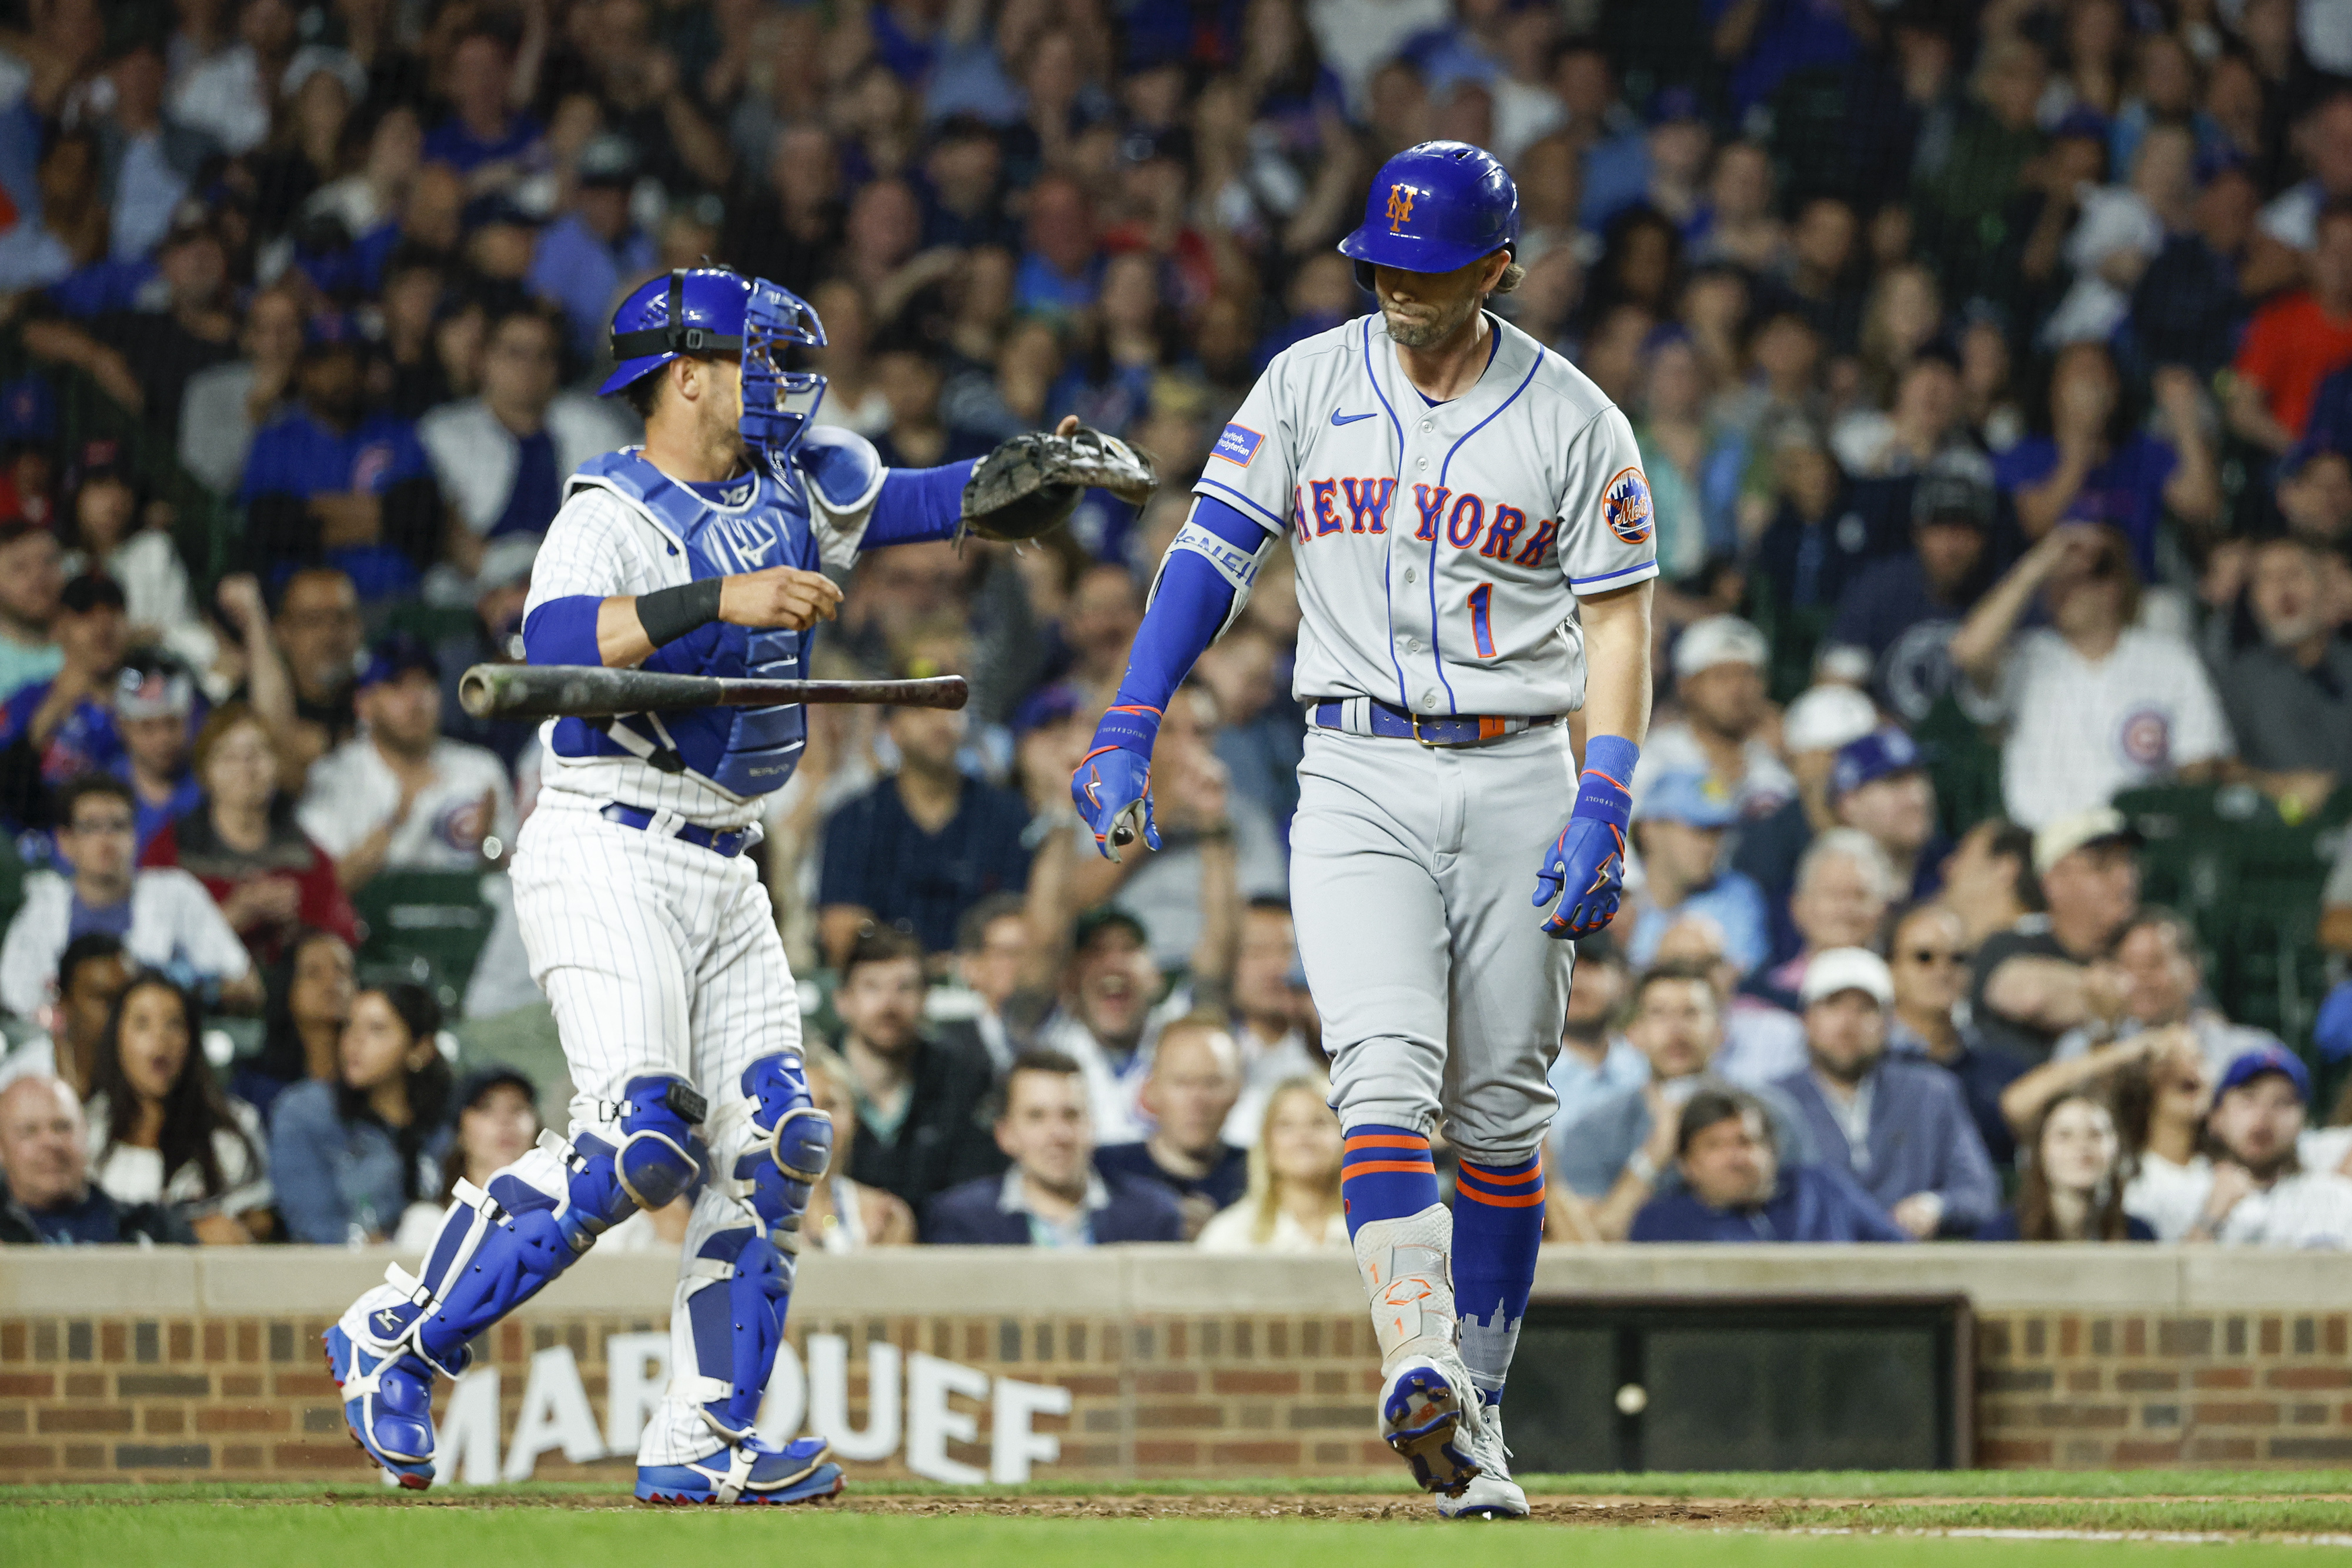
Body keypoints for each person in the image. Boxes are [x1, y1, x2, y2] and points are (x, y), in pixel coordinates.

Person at [325, 265, 1076, 1504]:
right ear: (686, 375)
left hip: (729, 858)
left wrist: (1025, 482)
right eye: (759, 362)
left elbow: (922, 503)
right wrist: (721, 599)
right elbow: (552, 645)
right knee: (638, 1140)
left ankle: (702, 1436)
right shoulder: (608, 508)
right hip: (605, 838)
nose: (785, 386)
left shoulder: (793, 481)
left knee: (781, 1139)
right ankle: (397, 1334)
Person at [1068, 140, 1657, 1519]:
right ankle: (1420, 1360)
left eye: (1429, 266)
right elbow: (1209, 551)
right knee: (1376, 1078)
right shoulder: (1306, 380)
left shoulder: (1573, 420)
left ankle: (1481, 1415)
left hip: (1517, 765)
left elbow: (1624, 619)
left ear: (1495, 269)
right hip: (1353, 769)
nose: (1398, 286)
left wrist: (1605, 790)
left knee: (1501, 1118)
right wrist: (1126, 722)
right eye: (1381, 262)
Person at [1950, 522, 2231, 829]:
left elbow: (2199, 765)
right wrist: (2038, 564)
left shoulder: (2168, 660)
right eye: (2058, 580)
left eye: (2086, 576)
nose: (2067, 590)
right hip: (2045, 845)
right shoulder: (2025, 657)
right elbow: (1968, 651)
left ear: (2115, 586)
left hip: (2140, 846)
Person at [1551, 961, 1812, 1239]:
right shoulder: (1594, 1129)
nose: (1676, 1029)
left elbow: (1811, 1214)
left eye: (1692, 1013)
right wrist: (1654, 1153)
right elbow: (1592, 1243)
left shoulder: (1772, 1113)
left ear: (1720, 1033)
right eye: (1659, 1014)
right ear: (1634, 1034)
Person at [1770, 947, 2000, 1237]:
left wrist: (1935, 1206)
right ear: (1806, 1019)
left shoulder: (1931, 1093)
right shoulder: (1773, 1103)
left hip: (1912, 1269)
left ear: (1889, 1022)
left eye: (1865, 1009)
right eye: (1833, 1005)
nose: (1848, 1023)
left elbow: (1978, 1191)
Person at [0, 775, 259, 1021]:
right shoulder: (44, 906)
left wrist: (188, 983)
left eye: (118, 826)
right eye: (91, 827)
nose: (106, 840)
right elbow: (15, 999)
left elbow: (246, 985)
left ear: (135, 834)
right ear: (65, 841)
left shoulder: (175, 894)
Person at [417, 305, 632, 577]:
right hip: (473, 596)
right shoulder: (443, 433)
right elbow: (454, 542)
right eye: (516, 353)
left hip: (576, 582)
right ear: (484, 358)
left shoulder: (594, 425)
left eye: (543, 356)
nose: (530, 367)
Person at [142, 703, 360, 968]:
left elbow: (344, 935)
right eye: (229, 756)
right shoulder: (171, 850)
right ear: (204, 772)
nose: (246, 768)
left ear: (277, 766)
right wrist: (234, 915)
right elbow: (150, 943)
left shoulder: (306, 853)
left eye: (257, 754)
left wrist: (297, 924)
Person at [816, 697, 1032, 962]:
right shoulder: (856, 817)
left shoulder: (1006, 814)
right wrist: (916, 971)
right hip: (889, 985)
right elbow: (841, 928)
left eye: (949, 709)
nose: (939, 722)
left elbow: (1024, 919)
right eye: (920, 710)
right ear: (892, 730)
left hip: (982, 986)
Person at [296, 634, 516, 892]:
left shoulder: (480, 769)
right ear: (364, 704)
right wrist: (394, 823)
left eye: (425, 685)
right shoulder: (336, 776)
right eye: (397, 686)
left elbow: (510, 877)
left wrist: (487, 842)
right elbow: (321, 892)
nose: (416, 700)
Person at [921, 1048, 1186, 1245]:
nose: (1058, 1134)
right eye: (1037, 1117)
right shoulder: (963, 1220)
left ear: (1092, 1126)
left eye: (1071, 1115)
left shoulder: (1152, 1214)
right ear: (1006, 1135)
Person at [83, 974, 270, 1242]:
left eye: (174, 1024)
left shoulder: (232, 1129)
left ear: (192, 1039)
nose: (160, 1038)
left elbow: (260, 1221)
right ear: (117, 1039)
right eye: (142, 1024)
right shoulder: (84, 1131)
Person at [831, 926, 1004, 1213]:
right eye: (872, 987)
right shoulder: (811, 1084)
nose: (889, 1004)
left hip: (941, 1249)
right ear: (842, 1001)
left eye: (905, 987)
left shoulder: (963, 1082)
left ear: (926, 999)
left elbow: (977, 1194)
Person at [268, 982, 452, 1245]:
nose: (355, 1041)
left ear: (420, 1050)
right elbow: (313, 1225)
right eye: (349, 1025)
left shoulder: (445, 1124)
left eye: (376, 1029)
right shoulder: (306, 1111)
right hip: (337, 1274)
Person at [1822, 463, 1996, 726]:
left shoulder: (2003, 592)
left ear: (1984, 538)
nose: (1952, 546)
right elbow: (1835, 686)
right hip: (1890, 749)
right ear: (1917, 532)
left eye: (1964, 530)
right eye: (1940, 528)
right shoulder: (1881, 586)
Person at [1626, 1086, 1909, 1243]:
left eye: (1746, 1142)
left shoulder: (1821, 1188)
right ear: (1688, 1165)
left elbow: (1904, 1258)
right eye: (1715, 1146)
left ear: (1772, 1150)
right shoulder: (1660, 1223)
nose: (1736, 1158)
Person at [1972, 808, 2142, 1064]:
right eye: (2102, 867)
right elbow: (2030, 995)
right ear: (2053, 882)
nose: (2125, 879)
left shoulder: (2143, 945)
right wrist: (2128, 996)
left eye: (2127, 862)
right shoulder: (2012, 943)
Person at [1885, 901, 2028, 1166]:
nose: (1943, 970)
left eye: (1958, 958)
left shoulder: (2001, 1071)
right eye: (1924, 957)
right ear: (1891, 970)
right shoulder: (1869, 1069)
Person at [2212, 534, 2352, 795]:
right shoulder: (2235, 679)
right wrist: (2276, 786)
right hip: (2276, 829)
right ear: (2253, 602)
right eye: (2267, 579)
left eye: (2295, 574)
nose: (2283, 588)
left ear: (2325, 588)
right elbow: (2217, 769)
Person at [2175, 1046, 2352, 1248]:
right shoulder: (2179, 1187)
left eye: (2283, 1102)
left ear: (2303, 1122)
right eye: (2249, 1098)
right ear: (2217, 1116)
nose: (2264, 1114)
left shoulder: (2333, 1196)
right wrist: (2210, 1219)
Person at [1094, 1017, 1249, 1236]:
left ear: (1237, 1092)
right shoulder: (1103, 1171)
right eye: (1182, 1082)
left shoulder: (1259, 1173)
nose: (1197, 1100)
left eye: (1212, 1083)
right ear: (1150, 1090)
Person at [0, 1074, 191, 1244]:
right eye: (29, 1131)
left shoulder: (153, 1230)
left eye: (63, 1127)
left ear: (86, 1134)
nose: (51, 1142)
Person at [1638, 614, 1796, 819]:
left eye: (1748, 675)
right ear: (1685, 686)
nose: (1737, 690)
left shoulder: (1775, 770)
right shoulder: (1654, 760)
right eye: (1722, 676)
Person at [1624, 771, 1770, 975]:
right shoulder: (1618, 895)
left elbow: (1735, 979)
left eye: (1717, 833)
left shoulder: (1738, 897)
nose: (1709, 846)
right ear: (1650, 829)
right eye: (1698, 830)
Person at [390, 1065, 542, 1252]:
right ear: (459, 1131)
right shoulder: (430, 1225)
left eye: (518, 1108)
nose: (505, 1120)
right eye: (486, 1108)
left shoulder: (565, 1218)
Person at [1744, 828, 1899, 1012]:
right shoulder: (1761, 1002)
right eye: (1833, 895)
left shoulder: (1906, 996)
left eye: (1860, 895)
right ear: (1798, 907)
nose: (1846, 909)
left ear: (1885, 909)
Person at [1197, 1074, 1349, 1252]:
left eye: (1319, 1123)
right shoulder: (1228, 1237)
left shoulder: (1375, 1226)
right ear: (1266, 1143)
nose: (1303, 1138)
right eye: (1286, 1126)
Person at [1976, 1092, 2153, 1241]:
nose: (2082, 1146)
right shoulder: (2001, 1237)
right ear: (2039, 1152)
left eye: (2095, 1134)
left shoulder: (2140, 1236)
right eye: (2064, 1136)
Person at [1222, 898, 1327, 1145]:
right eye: (1256, 953)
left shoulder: (1329, 1048)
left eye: (1287, 952)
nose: (1275, 968)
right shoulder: (1213, 1047)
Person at [794, 1045, 917, 1249]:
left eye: (830, 1104)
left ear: (855, 1118)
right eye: (801, 1106)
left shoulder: (886, 1218)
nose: (816, 1120)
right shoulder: (742, 1214)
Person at [231, 927, 356, 1117]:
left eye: (342, 970)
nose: (332, 982)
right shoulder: (254, 1086)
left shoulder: (370, 1085)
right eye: (314, 973)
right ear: (288, 989)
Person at [0, 934, 130, 1095]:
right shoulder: (21, 1080)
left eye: (124, 998)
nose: (118, 1011)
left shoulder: (141, 1076)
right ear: (65, 1002)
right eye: (102, 998)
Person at [1829, 729, 1945, 902]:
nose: (1918, 797)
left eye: (1920, 777)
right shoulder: (1825, 893)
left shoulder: (1952, 870)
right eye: (1895, 782)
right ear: (1849, 804)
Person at [1545, 931, 1644, 1127]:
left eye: (1591, 966)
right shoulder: (1523, 1074)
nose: (1577, 981)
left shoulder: (1643, 1068)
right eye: (1565, 966)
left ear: (1624, 981)